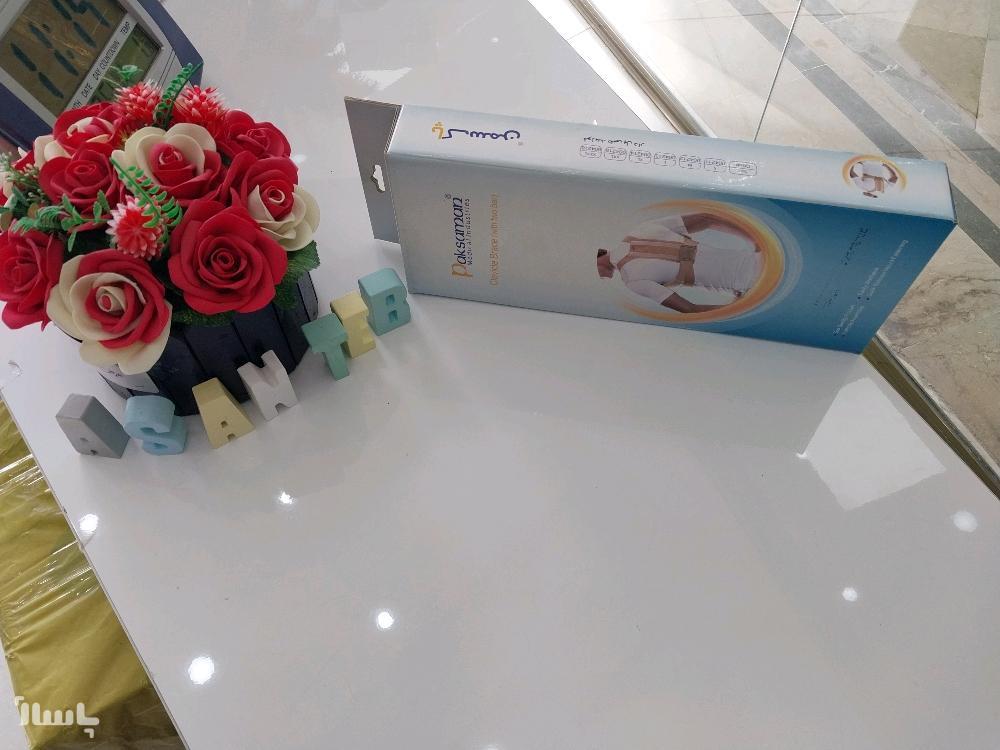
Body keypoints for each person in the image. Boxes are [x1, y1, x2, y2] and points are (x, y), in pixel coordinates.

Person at [597, 212, 763, 313]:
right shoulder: (642, 229)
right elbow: (707, 218)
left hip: (751, 287)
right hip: (761, 259)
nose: (601, 278)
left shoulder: (632, 280)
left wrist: (737, 306)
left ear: (598, 261)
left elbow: (689, 309)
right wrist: (756, 240)